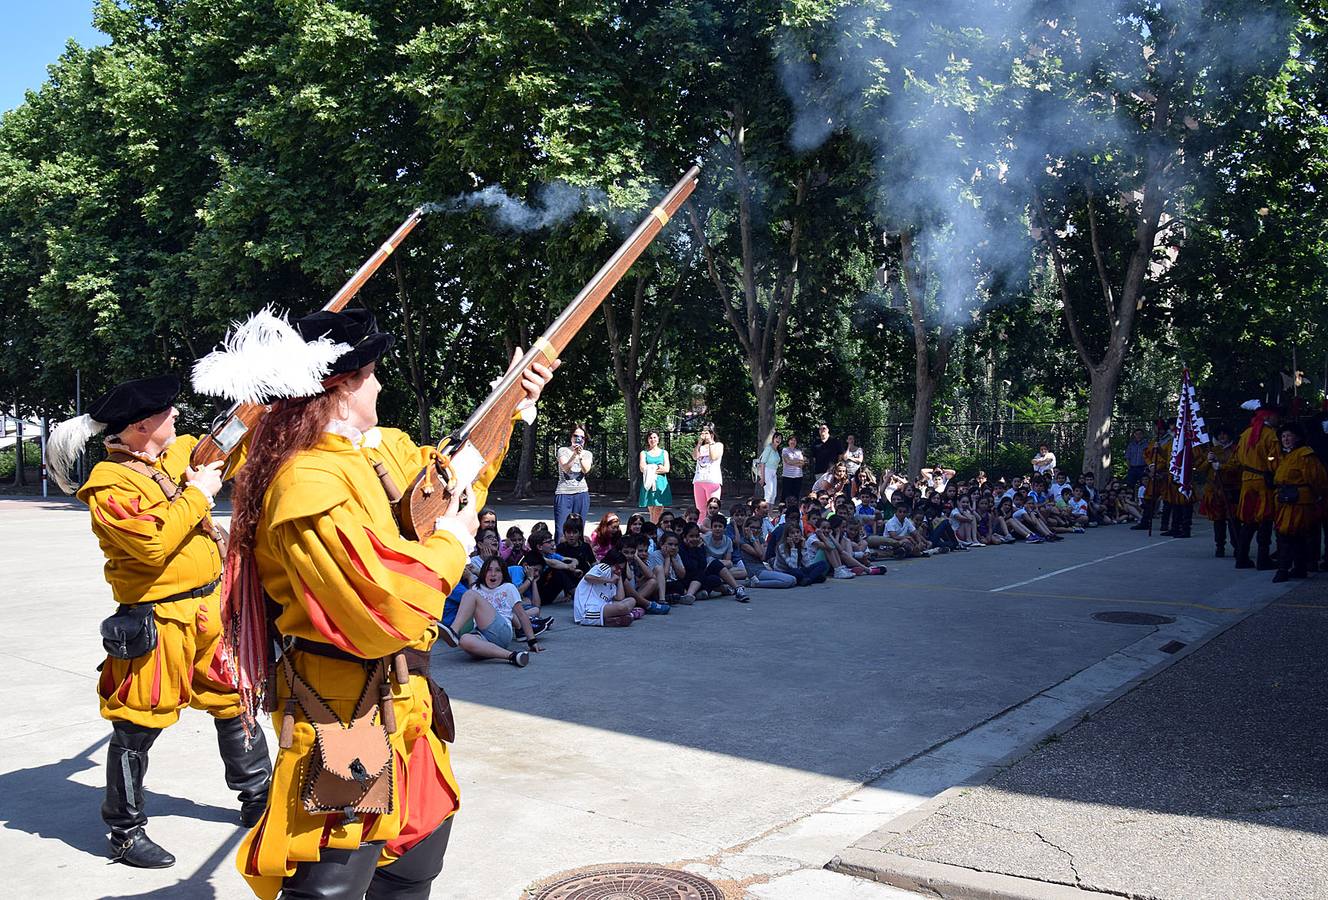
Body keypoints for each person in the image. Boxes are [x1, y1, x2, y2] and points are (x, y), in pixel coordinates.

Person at [195, 307, 554, 899]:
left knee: (415, 864)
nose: (382, 383)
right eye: (372, 373)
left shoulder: (377, 450)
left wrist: (509, 404)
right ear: (339, 386)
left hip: (407, 702)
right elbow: (381, 604)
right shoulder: (305, 480)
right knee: (330, 882)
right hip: (345, 713)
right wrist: (455, 543)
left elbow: (448, 482)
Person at [46, 375, 273, 869]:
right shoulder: (109, 485)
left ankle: (260, 800)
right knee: (137, 724)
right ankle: (125, 832)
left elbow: (231, 446)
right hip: (157, 619)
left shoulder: (182, 451)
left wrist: (266, 394)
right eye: (167, 414)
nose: (176, 418)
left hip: (209, 608)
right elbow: (150, 544)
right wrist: (199, 494)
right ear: (142, 425)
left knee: (236, 701)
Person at [447, 557, 543, 663]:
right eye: (489, 570)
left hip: (502, 631)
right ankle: (512, 656)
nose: (493, 574)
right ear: (483, 573)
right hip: (482, 634)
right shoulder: (477, 588)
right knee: (464, 640)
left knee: (470, 594)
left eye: (498, 570)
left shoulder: (508, 588)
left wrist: (532, 641)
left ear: (503, 574)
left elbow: (522, 615)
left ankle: (453, 632)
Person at [1271, 423, 1328, 583]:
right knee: (1293, 535)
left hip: (1300, 501)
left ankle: (1284, 569)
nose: (1285, 439)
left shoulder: (1305, 455)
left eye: (1289, 436)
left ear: (1297, 437)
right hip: (1285, 499)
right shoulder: (1286, 455)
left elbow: (1317, 479)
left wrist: (1316, 496)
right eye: (1283, 436)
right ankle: (1299, 568)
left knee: (1288, 534)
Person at [1233, 401, 1282, 570]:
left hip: (1247, 481)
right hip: (1263, 481)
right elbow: (1275, 460)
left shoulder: (1245, 434)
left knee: (1249, 521)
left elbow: (1238, 458)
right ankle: (1263, 559)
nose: (1278, 419)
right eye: (1276, 416)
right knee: (1265, 519)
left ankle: (1241, 557)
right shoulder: (1271, 435)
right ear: (1268, 416)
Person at [678, 523, 750, 602]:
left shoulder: (699, 546)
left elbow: (703, 565)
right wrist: (692, 549)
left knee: (715, 572)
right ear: (684, 537)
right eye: (691, 536)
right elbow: (691, 567)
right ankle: (690, 595)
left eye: (697, 536)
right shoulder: (680, 548)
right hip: (686, 580)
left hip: (700, 578)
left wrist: (698, 550)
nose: (695, 539)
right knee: (701, 574)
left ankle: (737, 589)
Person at [1197, 425, 1241, 557]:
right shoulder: (1211, 450)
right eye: (1220, 434)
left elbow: (1237, 466)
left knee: (1234, 520)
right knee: (1218, 520)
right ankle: (1219, 546)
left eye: (1225, 434)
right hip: (1215, 491)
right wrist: (1208, 461)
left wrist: (1221, 467)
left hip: (1231, 489)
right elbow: (1201, 469)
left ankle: (1238, 546)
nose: (1222, 437)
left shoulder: (1235, 449)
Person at [574, 549, 638, 626]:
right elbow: (588, 577)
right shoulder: (604, 567)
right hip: (587, 610)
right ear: (613, 564)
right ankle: (624, 615)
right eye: (618, 567)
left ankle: (614, 618)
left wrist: (619, 576)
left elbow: (620, 598)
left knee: (632, 600)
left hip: (602, 606)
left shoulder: (613, 581)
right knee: (622, 607)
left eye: (621, 569)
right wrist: (610, 580)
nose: (619, 570)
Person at [555, 424, 593, 537]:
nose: (578, 439)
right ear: (571, 437)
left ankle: (578, 553)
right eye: (575, 435)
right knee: (561, 529)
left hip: (581, 493)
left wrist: (580, 456)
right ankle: (560, 552)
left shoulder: (587, 454)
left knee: (579, 529)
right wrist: (574, 455)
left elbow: (585, 470)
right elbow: (566, 468)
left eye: (582, 437)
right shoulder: (563, 450)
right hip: (564, 492)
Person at [735, 519, 797, 587]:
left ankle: (755, 582)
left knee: (793, 580)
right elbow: (759, 554)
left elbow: (763, 557)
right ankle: (755, 584)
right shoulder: (743, 542)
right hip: (754, 571)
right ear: (746, 528)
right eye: (753, 527)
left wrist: (757, 539)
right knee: (788, 581)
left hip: (762, 569)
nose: (755, 530)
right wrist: (752, 538)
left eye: (758, 528)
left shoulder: (758, 539)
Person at [638, 430, 673, 523]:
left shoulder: (664, 452)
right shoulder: (644, 453)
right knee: (652, 509)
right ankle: (653, 528)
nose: (652, 439)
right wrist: (657, 467)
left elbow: (666, 469)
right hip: (649, 483)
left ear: (658, 439)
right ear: (647, 440)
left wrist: (651, 468)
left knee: (659, 508)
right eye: (650, 438)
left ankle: (653, 528)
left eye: (654, 437)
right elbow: (642, 468)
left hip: (660, 483)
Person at [692, 423, 725, 511]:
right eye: (703, 433)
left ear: (712, 434)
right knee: (700, 509)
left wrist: (710, 442)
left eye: (706, 433)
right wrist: (699, 443)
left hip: (712, 480)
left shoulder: (718, 445)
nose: (704, 435)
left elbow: (713, 457)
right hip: (699, 480)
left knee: (712, 508)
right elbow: (695, 457)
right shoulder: (701, 447)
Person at [780, 434, 807, 501]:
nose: (793, 442)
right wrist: (798, 461)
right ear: (788, 441)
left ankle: (794, 510)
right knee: (786, 495)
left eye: (795, 440)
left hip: (798, 476)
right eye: (791, 440)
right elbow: (788, 461)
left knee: (796, 495)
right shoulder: (785, 450)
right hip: (787, 476)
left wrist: (793, 462)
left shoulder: (799, 451)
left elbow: (803, 463)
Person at [759, 433, 782, 507]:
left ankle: (770, 514)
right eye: (777, 438)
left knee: (773, 494)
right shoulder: (769, 448)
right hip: (767, 471)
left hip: (773, 473)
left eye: (780, 438)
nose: (778, 440)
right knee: (768, 494)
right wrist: (763, 478)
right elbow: (762, 462)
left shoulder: (777, 450)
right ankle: (765, 513)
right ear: (773, 438)